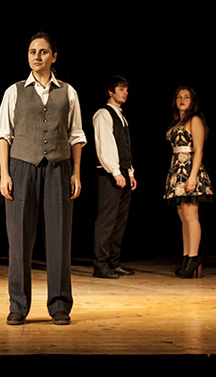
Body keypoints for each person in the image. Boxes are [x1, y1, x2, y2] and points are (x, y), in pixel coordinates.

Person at [0, 32, 86, 326]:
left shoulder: (68, 92)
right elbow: (3, 135)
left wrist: (76, 171)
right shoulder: (14, 91)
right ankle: (18, 306)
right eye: (33, 51)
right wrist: (5, 173)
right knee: (19, 239)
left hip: (58, 167)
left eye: (43, 51)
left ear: (53, 57)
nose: (37, 56)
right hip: (21, 167)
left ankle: (59, 304)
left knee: (59, 238)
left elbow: (76, 136)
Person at [164, 85, 213, 279]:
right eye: (179, 97)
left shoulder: (195, 120)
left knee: (191, 215)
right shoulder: (177, 122)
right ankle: (186, 258)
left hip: (190, 170)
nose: (182, 100)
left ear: (192, 101)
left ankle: (194, 257)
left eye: (186, 97)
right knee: (183, 216)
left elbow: (199, 150)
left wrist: (192, 176)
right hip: (177, 170)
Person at [92, 75, 137, 279]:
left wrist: (130, 172)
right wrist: (116, 171)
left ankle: (113, 262)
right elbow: (105, 145)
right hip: (109, 173)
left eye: (126, 89)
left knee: (120, 220)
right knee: (107, 219)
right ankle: (100, 264)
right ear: (110, 91)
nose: (125, 93)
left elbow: (124, 147)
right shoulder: (104, 113)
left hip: (122, 173)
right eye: (120, 89)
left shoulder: (121, 116)